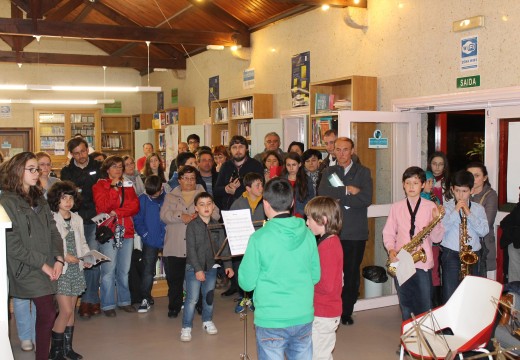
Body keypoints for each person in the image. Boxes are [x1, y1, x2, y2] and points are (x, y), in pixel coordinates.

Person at [239, 178, 320, 360]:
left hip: (271, 318)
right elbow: (315, 276)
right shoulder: (308, 234)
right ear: (292, 203)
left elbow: (246, 283)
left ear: (265, 204)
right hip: (303, 314)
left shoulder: (259, 238)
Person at [1, 152, 64, 360]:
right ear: (18, 171)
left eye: (37, 169)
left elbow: (54, 230)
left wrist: (58, 258)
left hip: (46, 262)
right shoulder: (7, 202)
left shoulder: (39, 198)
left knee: (47, 313)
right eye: (32, 169)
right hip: (25, 266)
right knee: (47, 312)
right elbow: (12, 244)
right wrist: (42, 265)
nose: (37, 173)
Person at [318, 137, 372, 325]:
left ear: (352, 150)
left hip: (355, 232)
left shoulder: (363, 172)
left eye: (345, 149)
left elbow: (366, 199)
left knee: (350, 273)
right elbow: (323, 195)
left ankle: (346, 311)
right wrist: (348, 190)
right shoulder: (328, 171)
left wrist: (340, 196)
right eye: (338, 149)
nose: (341, 153)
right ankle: (330, 307)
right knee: (330, 273)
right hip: (332, 231)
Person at [383, 167, 445, 321]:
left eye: (415, 183)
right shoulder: (396, 207)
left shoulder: (431, 206)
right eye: (408, 183)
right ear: (403, 185)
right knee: (406, 304)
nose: (411, 186)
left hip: (422, 263)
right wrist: (391, 249)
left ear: (423, 185)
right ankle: (408, 342)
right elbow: (388, 232)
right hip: (401, 259)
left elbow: (437, 239)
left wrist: (437, 221)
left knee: (424, 305)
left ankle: (424, 341)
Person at [160, 166, 219, 318]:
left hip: (199, 246)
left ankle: (200, 305)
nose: (189, 181)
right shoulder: (170, 196)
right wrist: (181, 216)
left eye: (192, 178)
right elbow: (164, 215)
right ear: (179, 180)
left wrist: (200, 215)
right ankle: (174, 306)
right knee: (175, 280)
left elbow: (217, 214)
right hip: (175, 245)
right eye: (185, 178)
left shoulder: (203, 194)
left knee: (199, 278)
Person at [47, 180, 92, 360]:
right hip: (61, 269)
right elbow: (51, 245)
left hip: (76, 268)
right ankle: (54, 352)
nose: (68, 202)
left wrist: (88, 257)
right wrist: (65, 256)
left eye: (70, 198)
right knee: (65, 311)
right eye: (63, 198)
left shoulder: (77, 218)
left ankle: (67, 349)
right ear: (56, 200)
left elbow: (82, 242)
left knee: (72, 311)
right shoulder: (51, 218)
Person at [180, 192, 234, 342]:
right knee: (192, 299)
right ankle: (186, 326)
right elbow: (190, 250)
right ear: (196, 208)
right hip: (193, 268)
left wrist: (228, 265)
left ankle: (207, 321)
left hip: (211, 267)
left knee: (209, 297)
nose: (206, 207)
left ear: (213, 206)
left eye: (209, 203)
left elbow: (223, 248)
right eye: (202, 204)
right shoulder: (192, 226)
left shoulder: (217, 224)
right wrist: (197, 269)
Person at [92, 155, 140, 317]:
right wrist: (112, 189)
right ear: (107, 169)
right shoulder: (100, 185)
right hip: (109, 231)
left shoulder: (128, 184)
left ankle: (124, 301)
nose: (118, 170)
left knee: (124, 269)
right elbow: (103, 207)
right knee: (108, 270)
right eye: (114, 167)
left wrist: (117, 212)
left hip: (126, 230)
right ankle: (107, 304)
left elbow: (135, 206)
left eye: (120, 167)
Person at [61, 137, 103, 319]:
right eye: (76, 153)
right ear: (72, 154)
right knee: (77, 262)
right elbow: (70, 195)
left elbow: (97, 192)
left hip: (94, 220)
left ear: (88, 150)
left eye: (83, 152)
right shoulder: (66, 171)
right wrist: (83, 190)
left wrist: (81, 189)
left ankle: (90, 300)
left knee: (91, 260)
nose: (81, 156)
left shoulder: (99, 166)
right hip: (74, 221)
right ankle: (82, 300)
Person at [440, 169, 489, 303]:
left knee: (472, 293)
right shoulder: (446, 207)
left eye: (465, 191)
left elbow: (484, 231)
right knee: (450, 293)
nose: (460, 195)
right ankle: (450, 323)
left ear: (471, 191)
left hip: (472, 254)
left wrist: (469, 213)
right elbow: (442, 229)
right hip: (451, 253)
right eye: (457, 191)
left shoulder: (478, 209)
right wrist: (455, 211)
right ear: (452, 190)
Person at [304, 196, 343, 360]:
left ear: (323, 220)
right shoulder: (327, 242)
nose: (306, 223)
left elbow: (325, 285)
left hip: (324, 312)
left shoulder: (328, 246)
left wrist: (304, 282)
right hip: (324, 311)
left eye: (309, 219)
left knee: (319, 356)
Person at [229, 172, 266, 312]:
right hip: (242, 246)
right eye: (257, 185)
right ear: (248, 188)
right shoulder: (238, 203)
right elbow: (231, 225)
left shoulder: (266, 203)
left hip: (261, 245)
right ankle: (243, 298)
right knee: (242, 272)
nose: (261, 187)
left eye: (261, 184)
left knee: (260, 272)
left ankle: (257, 299)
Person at [133, 175, 166, 313]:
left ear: (161, 188)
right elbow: (137, 220)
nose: (152, 196)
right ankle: (145, 298)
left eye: (156, 193)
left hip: (168, 240)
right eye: (149, 193)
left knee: (172, 271)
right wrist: (145, 235)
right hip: (150, 241)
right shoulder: (142, 199)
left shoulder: (169, 198)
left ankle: (179, 297)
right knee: (148, 271)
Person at [214, 135, 264, 212]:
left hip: (251, 210)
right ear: (230, 150)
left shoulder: (256, 165)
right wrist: (226, 189)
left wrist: (236, 192)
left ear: (246, 149)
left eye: (241, 147)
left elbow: (259, 190)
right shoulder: (225, 166)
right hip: (228, 210)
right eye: (234, 147)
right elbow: (216, 190)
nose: (237, 150)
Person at [466, 162, 498, 275]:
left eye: (477, 175)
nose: (473, 179)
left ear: (485, 178)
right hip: (464, 247)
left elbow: (487, 224)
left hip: (482, 247)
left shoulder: (490, 195)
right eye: (470, 175)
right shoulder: (463, 192)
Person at [281, 152, 314, 218]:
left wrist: (301, 213)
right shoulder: (281, 180)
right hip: (284, 216)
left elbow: (311, 199)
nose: (291, 168)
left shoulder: (307, 180)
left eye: (294, 165)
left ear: (299, 164)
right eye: (288, 165)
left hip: (302, 216)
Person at [500, 188, 520, 282]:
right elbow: (504, 222)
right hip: (515, 244)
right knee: (515, 282)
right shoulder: (518, 207)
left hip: (515, 241)